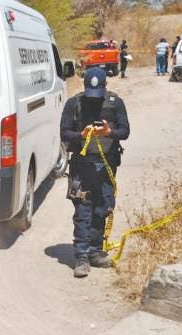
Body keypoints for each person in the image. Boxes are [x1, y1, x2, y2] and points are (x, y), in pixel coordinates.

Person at [60, 67, 130, 278]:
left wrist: (109, 132)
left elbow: (125, 131)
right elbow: (64, 133)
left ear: (105, 86)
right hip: (82, 167)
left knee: (102, 208)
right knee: (83, 211)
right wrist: (81, 135)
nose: (94, 99)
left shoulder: (115, 103)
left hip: (106, 166)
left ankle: (96, 251)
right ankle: (82, 256)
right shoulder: (73, 104)